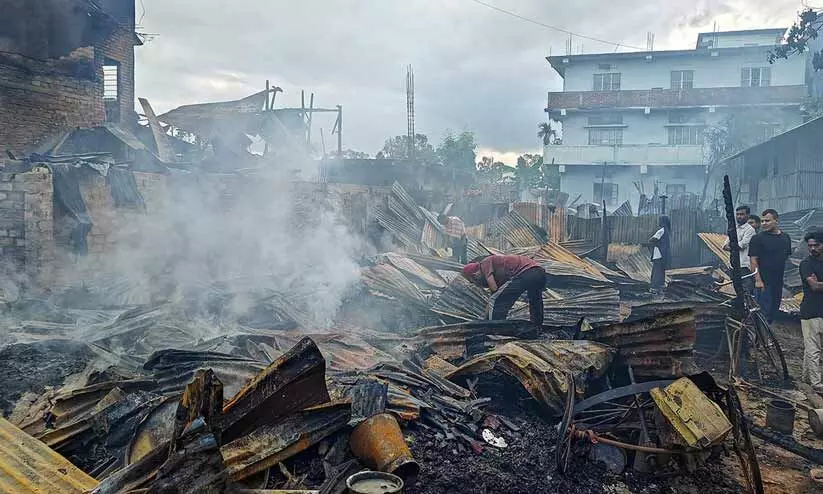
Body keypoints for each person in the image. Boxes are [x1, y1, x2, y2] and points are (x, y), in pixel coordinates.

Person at [462, 254, 546, 327]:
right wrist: (485, 318)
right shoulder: (498, 269)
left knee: (500, 302)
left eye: (471, 280)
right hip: (539, 271)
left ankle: (495, 329)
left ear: (474, 274)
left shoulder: (484, 264)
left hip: (526, 272)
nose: (474, 283)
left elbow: (494, 291)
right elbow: (494, 296)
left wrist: (485, 322)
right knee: (535, 300)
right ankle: (537, 326)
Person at [749, 209, 792, 323]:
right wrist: (758, 280)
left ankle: (767, 337)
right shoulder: (757, 239)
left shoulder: (785, 238)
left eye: (767, 221)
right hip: (763, 282)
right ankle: (758, 339)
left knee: (773, 312)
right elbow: (753, 260)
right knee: (762, 313)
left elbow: (785, 258)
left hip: (778, 282)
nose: (764, 224)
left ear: (776, 220)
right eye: (762, 221)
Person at [800, 229, 823, 394]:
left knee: (812, 347)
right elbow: (814, 287)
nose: (813, 248)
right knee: (814, 347)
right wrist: (818, 284)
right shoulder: (806, 264)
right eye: (810, 246)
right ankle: (816, 383)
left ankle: (806, 379)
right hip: (810, 310)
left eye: (817, 245)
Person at [723, 205, 757, 294]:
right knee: (736, 289)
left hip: (744, 265)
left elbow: (741, 245)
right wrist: (734, 246)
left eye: (742, 214)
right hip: (733, 265)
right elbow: (724, 246)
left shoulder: (750, 230)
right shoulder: (734, 229)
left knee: (746, 289)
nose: (739, 216)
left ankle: (749, 306)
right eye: (737, 214)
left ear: (748, 216)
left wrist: (733, 246)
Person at [648, 215, 671, 294]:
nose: (659, 222)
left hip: (658, 254)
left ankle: (655, 288)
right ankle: (658, 287)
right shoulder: (667, 231)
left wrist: (657, 245)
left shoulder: (662, 230)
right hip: (662, 254)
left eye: (660, 220)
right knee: (660, 271)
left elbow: (652, 240)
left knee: (657, 271)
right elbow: (654, 240)